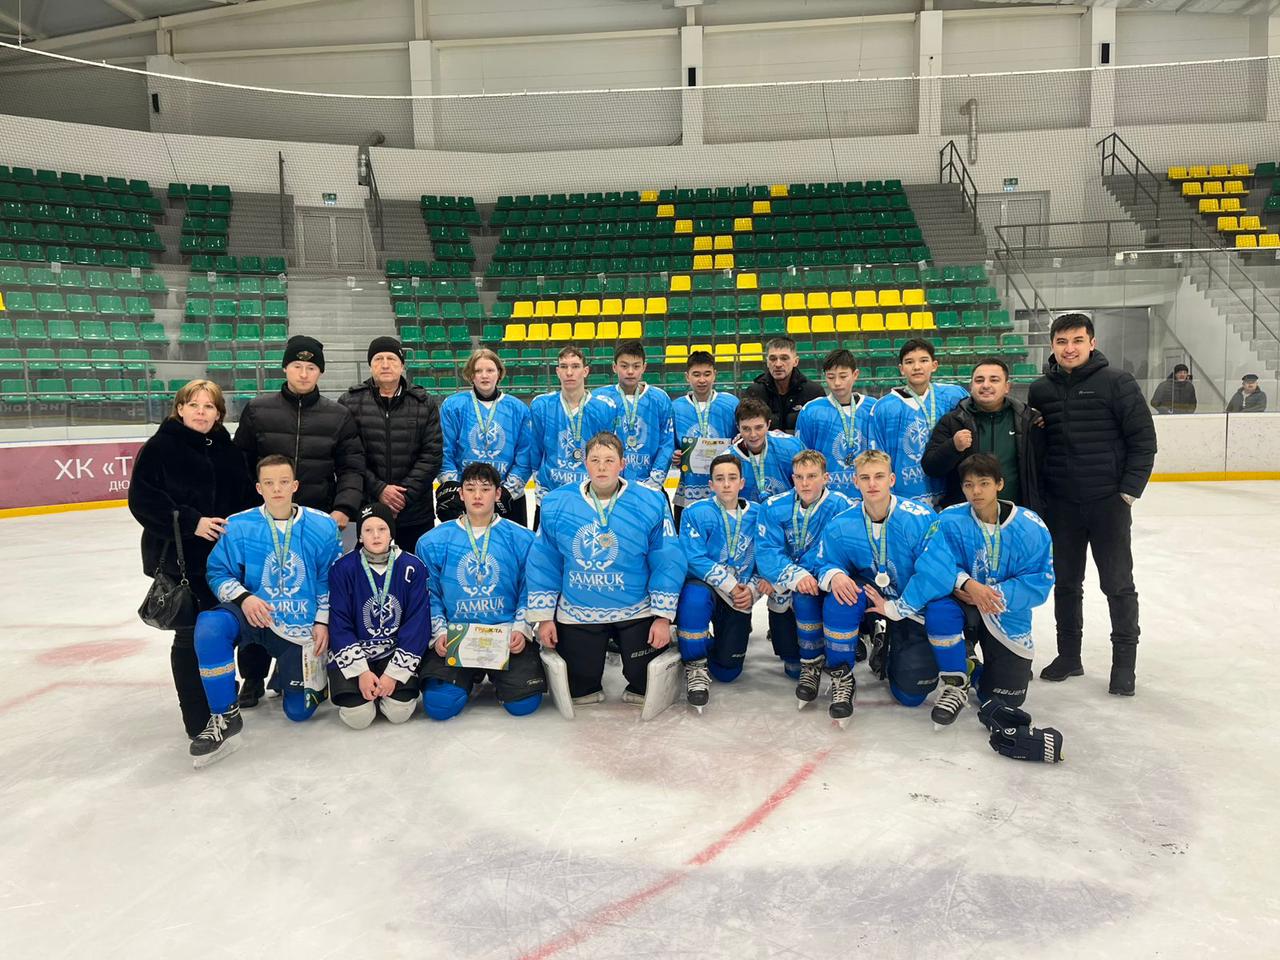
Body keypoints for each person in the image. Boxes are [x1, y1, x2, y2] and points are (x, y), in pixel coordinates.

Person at [865, 453, 1054, 720]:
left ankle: (970, 666)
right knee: (910, 691)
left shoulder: (1030, 526)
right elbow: (933, 561)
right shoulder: (949, 519)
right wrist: (966, 582)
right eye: (968, 485)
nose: (976, 491)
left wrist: (992, 594)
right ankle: (954, 678)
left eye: (984, 483)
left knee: (1005, 699)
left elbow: (1040, 580)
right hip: (958, 603)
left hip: (1004, 612)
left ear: (999, 484)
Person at [233, 334, 365, 707]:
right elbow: (240, 465)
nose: (303, 373)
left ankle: (301, 668)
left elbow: (352, 467)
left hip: (314, 525)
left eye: (310, 367)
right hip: (264, 526)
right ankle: (253, 676)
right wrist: (246, 515)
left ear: (319, 372)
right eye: (297, 366)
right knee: (260, 594)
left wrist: (343, 508)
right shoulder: (258, 410)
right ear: (285, 368)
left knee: (307, 598)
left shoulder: (338, 415)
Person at [1028, 312, 1156, 695]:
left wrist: (1127, 492)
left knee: (1118, 584)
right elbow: (1038, 446)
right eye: (1062, 341)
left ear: (1092, 343)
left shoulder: (1117, 382)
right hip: (1062, 505)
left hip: (1107, 503)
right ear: (1052, 345)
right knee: (1066, 584)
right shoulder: (1040, 390)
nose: (1070, 348)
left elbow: (1143, 441)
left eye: (1077, 340)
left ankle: (1124, 666)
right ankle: (1069, 656)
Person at [189, 455, 342, 767]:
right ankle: (224, 715)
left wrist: (322, 621)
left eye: (284, 482)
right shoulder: (239, 525)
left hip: (300, 626)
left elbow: (330, 577)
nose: (277, 489)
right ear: (259, 488)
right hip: (255, 615)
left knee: (299, 712)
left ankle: (287, 674)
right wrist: (244, 598)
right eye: (269, 483)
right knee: (210, 626)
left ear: (295, 485)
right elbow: (217, 572)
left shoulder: (323, 525)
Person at [128, 379, 257, 738]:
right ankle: (198, 719)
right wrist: (191, 522)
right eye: (194, 405)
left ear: (219, 413)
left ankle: (223, 700)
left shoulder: (228, 451)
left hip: (224, 562)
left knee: (220, 635)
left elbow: (246, 500)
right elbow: (143, 500)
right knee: (188, 638)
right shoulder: (160, 447)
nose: (201, 412)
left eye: (209, 406)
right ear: (180, 408)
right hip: (181, 561)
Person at [526, 432, 687, 706]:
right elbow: (544, 561)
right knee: (580, 689)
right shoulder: (557, 503)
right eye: (595, 460)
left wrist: (662, 617)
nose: (602, 467)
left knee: (645, 686)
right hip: (578, 611)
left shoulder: (650, 501)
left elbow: (667, 559)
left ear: (622, 464)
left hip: (636, 609)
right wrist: (544, 618)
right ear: (585, 464)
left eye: (609, 460)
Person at [814, 451, 967, 726]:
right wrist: (835, 575)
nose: (872, 484)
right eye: (865, 478)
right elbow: (825, 562)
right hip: (873, 596)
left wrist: (896, 608)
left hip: (911, 602)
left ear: (892, 479)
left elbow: (938, 572)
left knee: (910, 694)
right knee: (840, 599)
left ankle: (956, 680)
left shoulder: (919, 517)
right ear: (855, 482)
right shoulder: (842, 523)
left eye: (879, 476)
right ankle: (842, 677)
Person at [417, 462, 545, 721]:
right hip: (457, 637)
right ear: (461, 494)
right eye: (470, 488)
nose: (477, 495)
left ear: (497, 494)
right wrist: (440, 633)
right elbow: (430, 595)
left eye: (485, 489)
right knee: (440, 706)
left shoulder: (522, 538)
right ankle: (469, 675)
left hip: (505, 636)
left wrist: (521, 628)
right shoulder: (432, 541)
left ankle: (501, 678)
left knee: (524, 704)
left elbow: (529, 589)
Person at [755, 450, 856, 701]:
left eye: (812, 476)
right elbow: (767, 551)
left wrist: (798, 575)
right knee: (792, 667)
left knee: (822, 609)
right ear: (792, 478)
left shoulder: (842, 506)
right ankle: (808, 658)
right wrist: (793, 576)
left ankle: (837, 651)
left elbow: (834, 549)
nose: (805, 483)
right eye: (799, 477)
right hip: (785, 590)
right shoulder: (773, 506)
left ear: (826, 477)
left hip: (821, 585)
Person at [326, 503, 431, 729]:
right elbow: (339, 623)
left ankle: (382, 693)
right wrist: (361, 672)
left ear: (391, 532)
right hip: (356, 652)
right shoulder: (343, 568)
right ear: (360, 536)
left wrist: (393, 674)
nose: (375, 535)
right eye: (368, 530)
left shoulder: (412, 567)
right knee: (358, 718)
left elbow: (418, 624)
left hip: (393, 652)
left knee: (399, 713)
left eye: (382, 529)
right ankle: (367, 694)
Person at [675, 454, 769, 709]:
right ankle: (695, 664)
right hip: (707, 587)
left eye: (732, 478)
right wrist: (730, 584)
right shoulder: (695, 512)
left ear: (742, 483)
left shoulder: (759, 514)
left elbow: (767, 558)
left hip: (739, 596)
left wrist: (752, 591)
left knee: (728, 671)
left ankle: (700, 640)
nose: (726, 484)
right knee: (694, 599)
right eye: (719, 479)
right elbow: (693, 558)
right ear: (711, 484)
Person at [338, 336, 443, 553]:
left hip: (414, 512)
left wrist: (402, 497)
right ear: (370, 365)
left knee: (416, 570)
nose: (385, 364)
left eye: (392, 359)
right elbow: (347, 455)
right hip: (367, 511)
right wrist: (379, 489)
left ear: (402, 365)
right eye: (378, 359)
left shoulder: (424, 403)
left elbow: (432, 455)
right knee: (365, 572)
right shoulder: (349, 402)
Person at [922, 357, 1044, 513]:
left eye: (994, 380)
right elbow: (931, 467)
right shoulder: (952, 421)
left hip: (1016, 514)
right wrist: (953, 447)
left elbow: (1042, 470)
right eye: (979, 380)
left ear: (1007, 387)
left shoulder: (1029, 421)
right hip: (966, 516)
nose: (986, 385)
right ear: (971, 386)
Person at [437, 348, 534, 526]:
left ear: (499, 373)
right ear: (471, 375)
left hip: (508, 500)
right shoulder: (453, 406)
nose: (484, 376)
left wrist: (506, 492)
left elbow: (525, 455)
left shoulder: (518, 409)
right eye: (478, 371)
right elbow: (444, 451)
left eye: (490, 370)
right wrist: (455, 488)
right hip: (467, 497)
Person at [870, 338, 968, 505]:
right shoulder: (884, 408)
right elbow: (878, 457)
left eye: (923, 360)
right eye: (909, 362)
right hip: (906, 498)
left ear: (934, 365)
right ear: (901, 369)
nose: (917, 367)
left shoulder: (954, 396)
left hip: (951, 494)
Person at [583, 340, 675, 493]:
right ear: (614, 367)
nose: (630, 371)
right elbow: (590, 440)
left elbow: (667, 442)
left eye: (636, 366)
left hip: (650, 485)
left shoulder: (660, 398)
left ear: (644, 367)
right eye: (624, 366)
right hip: (609, 486)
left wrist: (654, 481)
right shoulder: (600, 398)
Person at [671, 350, 739, 526]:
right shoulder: (675, 407)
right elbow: (670, 444)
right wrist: (675, 455)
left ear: (715, 374)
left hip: (725, 488)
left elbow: (740, 440)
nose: (702, 380)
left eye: (707, 374)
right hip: (688, 489)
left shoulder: (731, 404)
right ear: (687, 376)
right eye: (696, 374)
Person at [528, 345, 592, 530]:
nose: (569, 372)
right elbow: (535, 450)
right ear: (557, 371)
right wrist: (541, 485)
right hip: (550, 497)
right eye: (564, 367)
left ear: (585, 371)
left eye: (575, 366)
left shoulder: (602, 407)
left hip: (588, 499)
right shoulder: (542, 405)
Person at [796, 348, 874, 499]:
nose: (837, 383)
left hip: (866, 494)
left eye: (843, 376)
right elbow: (803, 457)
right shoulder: (811, 411)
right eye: (831, 377)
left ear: (855, 375)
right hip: (826, 497)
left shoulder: (873, 408)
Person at [741, 336, 825, 433]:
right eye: (773, 359)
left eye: (784, 358)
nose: (778, 364)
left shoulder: (814, 393)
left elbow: (822, 429)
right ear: (767, 362)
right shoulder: (754, 393)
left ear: (795, 361)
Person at [730, 397, 804, 503]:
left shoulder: (791, 448)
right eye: (746, 429)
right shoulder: (729, 460)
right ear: (738, 427)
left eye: (758, 427)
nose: (753, 435)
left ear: (768, 424)